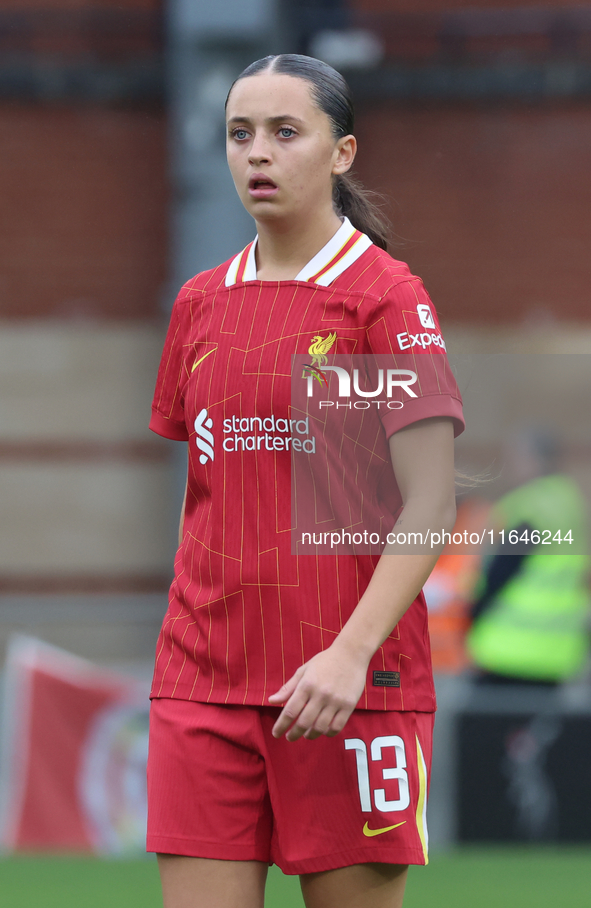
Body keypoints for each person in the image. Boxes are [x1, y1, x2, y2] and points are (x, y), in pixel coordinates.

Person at [146, 54, 464, 908]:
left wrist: (350, 654)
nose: (259, 153)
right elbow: (204, 489)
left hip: (345, 690)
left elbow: (430, 503)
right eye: (240, 134)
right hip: (203, 684)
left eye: (287, 132)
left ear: (342, 153)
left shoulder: (379, 300)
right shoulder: (200, 305)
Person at [467, 427, 590, 687]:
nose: (510, 468)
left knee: (478, 725)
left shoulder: (530, 505)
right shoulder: (568, 499)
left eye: (513, 459)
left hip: (508, 647)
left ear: (531, 459)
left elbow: (501, 570)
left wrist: (473, 612)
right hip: (556, 650)